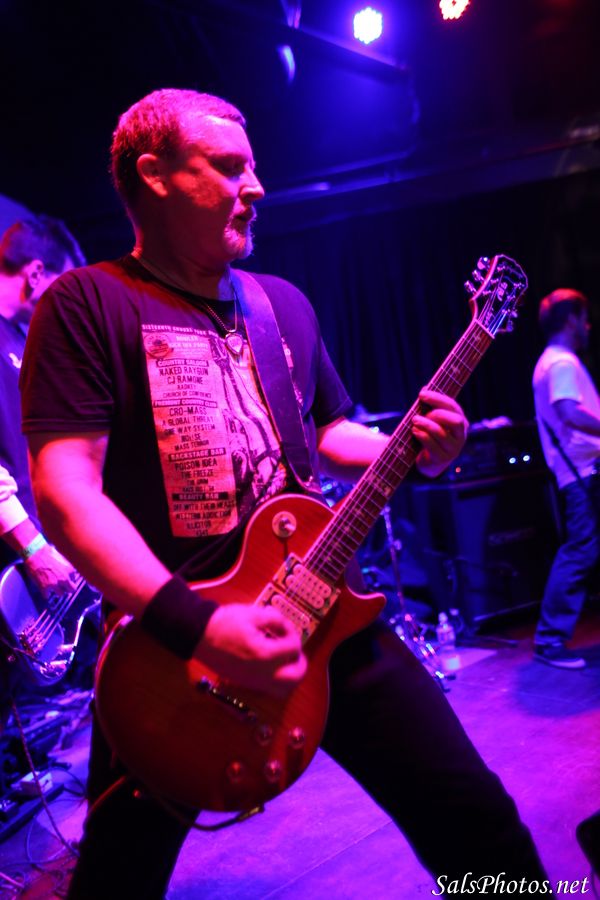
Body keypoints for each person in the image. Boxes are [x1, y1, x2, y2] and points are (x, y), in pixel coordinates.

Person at [20, 89, 547, 898]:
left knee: (475, 819)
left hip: (326, 613)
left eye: (255, 167)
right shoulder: (87, 303)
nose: (256, 186)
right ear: (154, 175)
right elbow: (64, 493)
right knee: (119, 879)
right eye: (230, 167)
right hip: (176, 649)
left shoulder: (279, 303)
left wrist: (420, 449)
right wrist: (197, 624)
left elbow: (330, 435)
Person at [0, 216, 84, 595]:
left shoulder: (22, 341)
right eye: (62, 286)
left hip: (36, 563)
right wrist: (33, 548)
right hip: (17, 561)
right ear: (35, 273)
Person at [532, 288, 600, 669]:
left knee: (584, 548)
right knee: (582, 549)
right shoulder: (560, 362)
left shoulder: (553, 361)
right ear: (571, 319)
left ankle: (550, 638)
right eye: (584, 318)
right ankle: (549, 640)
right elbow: (569, 411)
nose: (588, 326)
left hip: (582, 469)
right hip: (583, 471)